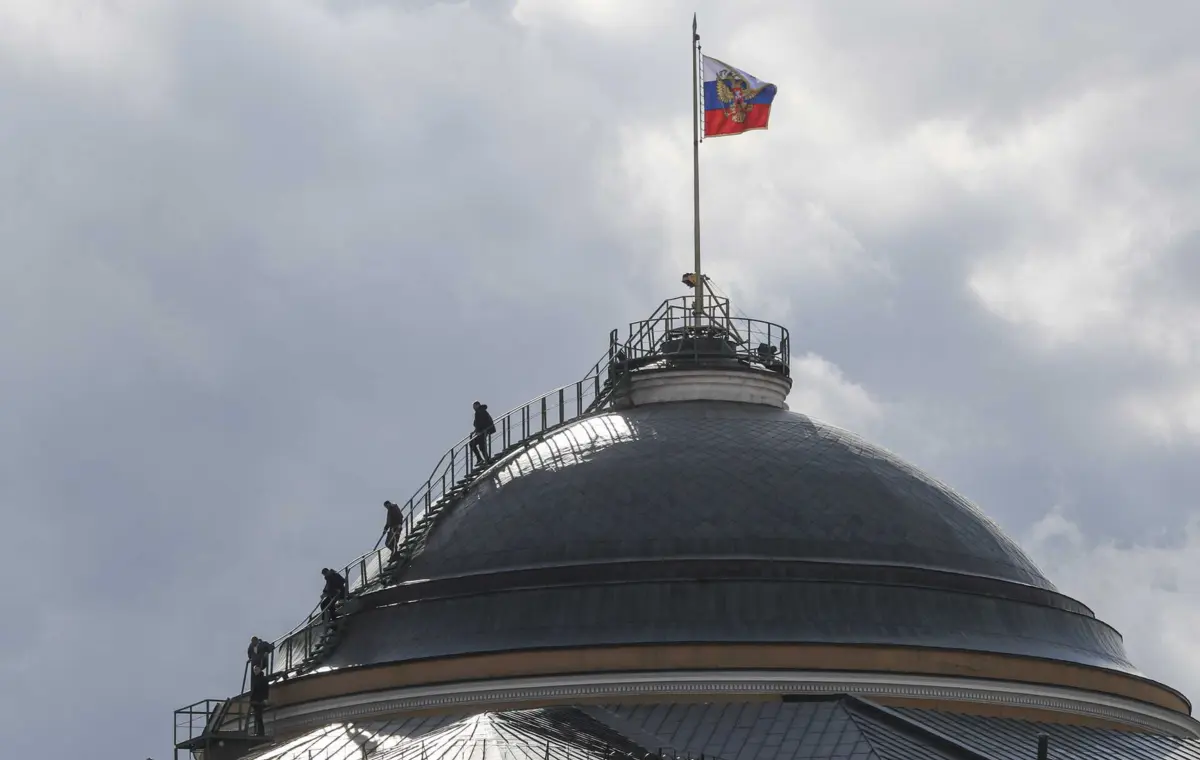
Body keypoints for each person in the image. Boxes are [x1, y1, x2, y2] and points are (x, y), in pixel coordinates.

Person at [469, 401, 495, 466]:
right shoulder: (481, 411)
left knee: (478, 445)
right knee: (476, 444)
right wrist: (475, 431)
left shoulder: (480, 411)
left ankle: (484, 459)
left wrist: (479, 431)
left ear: (478, 405)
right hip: (482, 431)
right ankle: (483, 459)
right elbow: (478, 423)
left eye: (474, 406)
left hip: (483, 431)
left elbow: (481, 423)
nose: (473, 408)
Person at [249, 664, 269, 736]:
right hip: (256, 702)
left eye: (256, 669)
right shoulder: (256, 679)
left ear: (260, 670)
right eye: (254, 670)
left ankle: (261, 733)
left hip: (260, 701)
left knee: (259, 717)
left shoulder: (263, 679)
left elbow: (266, 689)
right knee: (257, 717)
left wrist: (265, 698)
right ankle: (259, 732)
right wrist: (251, 700)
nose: (255, 671)